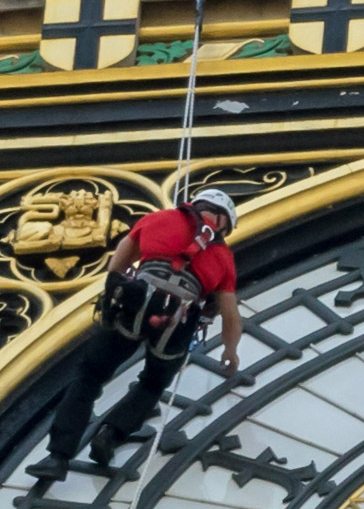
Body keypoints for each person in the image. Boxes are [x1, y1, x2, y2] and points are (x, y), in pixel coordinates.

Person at [29, 188, 242, 481]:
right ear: (224, 224)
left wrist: (109, 298)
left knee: (89, 377)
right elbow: (230, 315)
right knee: (153, 384)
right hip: (176, 323)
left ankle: (57, 457)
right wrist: (230, 351)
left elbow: (120, 261)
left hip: (137, 303)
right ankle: (111, 435)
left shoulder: (158, 219)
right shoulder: (223, 257)